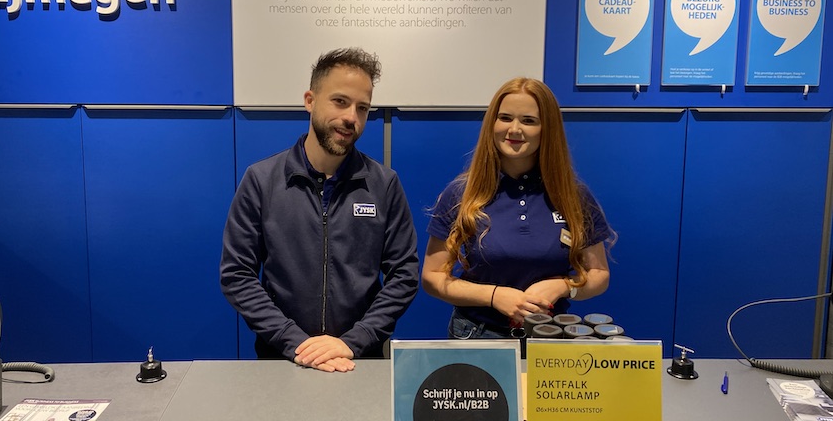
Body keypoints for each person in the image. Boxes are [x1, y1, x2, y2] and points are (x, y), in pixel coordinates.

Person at [220, 48, 419, 372]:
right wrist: (294, 342)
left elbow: (404, 274)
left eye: (362, 108)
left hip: (359, 361)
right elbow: (237, 274)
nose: (351, 118)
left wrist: (354, 340)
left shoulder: (384, 184)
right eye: (340, 101)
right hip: (282, 360)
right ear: (310, 100)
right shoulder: (262, 180)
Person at [422, 77, 615, 339]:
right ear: (492, 124)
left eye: (528, 120)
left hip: (550, 336)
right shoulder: (461, 194)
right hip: (477, 335)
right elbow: (432, 277)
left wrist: (564, 286)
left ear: (547, 129)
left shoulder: (573, 197)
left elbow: (599, 275)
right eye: (505, 118)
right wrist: (494, 296)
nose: (514, 129)